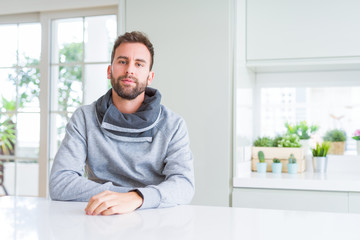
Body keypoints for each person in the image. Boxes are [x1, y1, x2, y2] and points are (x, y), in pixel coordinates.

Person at [49, 31, 195, 216]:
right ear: (110, 70)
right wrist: (127, 196)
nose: (129, 70)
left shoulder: (173, 125)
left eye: (139, 64)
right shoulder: (84, 118)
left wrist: (138, 198)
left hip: (154, 218)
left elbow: (184, 185)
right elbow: (60, 182)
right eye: (122, 61)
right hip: (98, 216)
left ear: (150, 77)